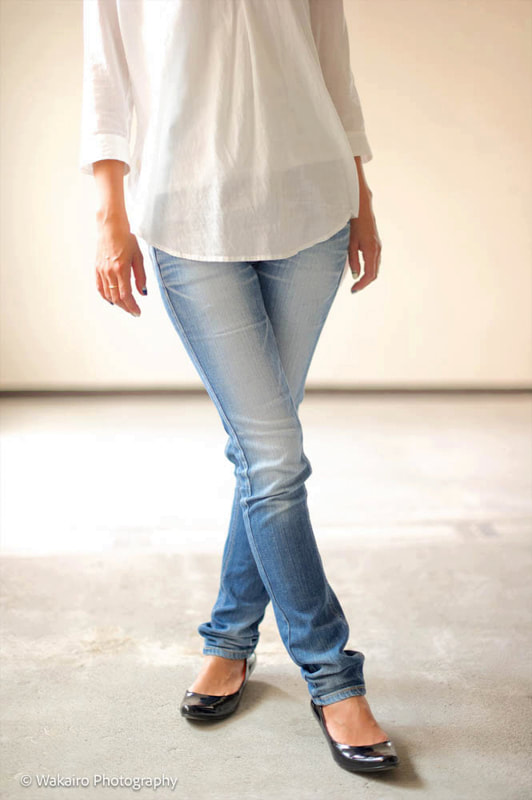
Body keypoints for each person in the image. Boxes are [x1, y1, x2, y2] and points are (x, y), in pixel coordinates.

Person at [80, 0, 399, 774]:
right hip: (188, 215)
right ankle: (332, 677)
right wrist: (109, 215)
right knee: (273, 455)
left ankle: (229, 639)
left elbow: (332, 65)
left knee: (264, 454)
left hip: (313, 204)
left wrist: (362, 201)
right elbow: (105, 79)